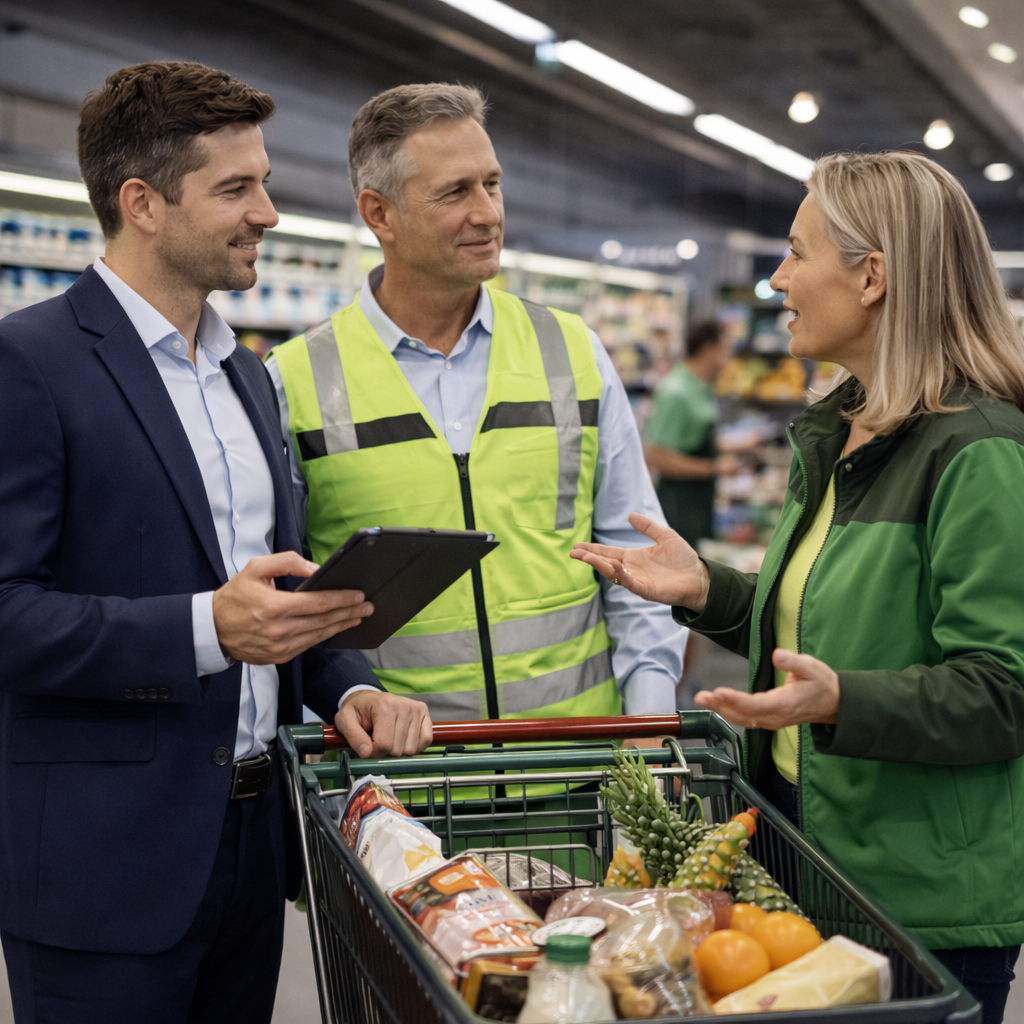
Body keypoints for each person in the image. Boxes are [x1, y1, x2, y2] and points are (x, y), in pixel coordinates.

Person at [0, 62, 431, 1024]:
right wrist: (207, 629)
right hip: (102, 866)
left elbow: (279, 589)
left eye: (264, 183)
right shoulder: (28, 364)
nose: (267, 212)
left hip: (250, 839)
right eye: (236, 188)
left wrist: (350, 684)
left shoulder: (247, 375)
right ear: (142, 202)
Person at [572, 151, 1024, 1024]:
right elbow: (820, 625)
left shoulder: (982, 451)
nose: (776, 279)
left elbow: (1006, 689)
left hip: (919, 897)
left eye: (795, 253)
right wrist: (709, 593)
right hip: (802, 856)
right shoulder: (843, 433)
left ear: (872, 276)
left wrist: (840, 702)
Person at [267, 84, 686, 721]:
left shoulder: (571, 350)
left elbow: (639, 568)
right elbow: (288, 597)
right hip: (402, 789)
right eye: (456, 192)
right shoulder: (293, 380)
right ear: (378, 214)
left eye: (492, 184)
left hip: (578, 770)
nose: (488, 212)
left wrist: (650, 719)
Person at [643, 319, 736, 546]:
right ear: (708, 349)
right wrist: (714, 467)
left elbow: (693, 438)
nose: (729, 358)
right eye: (726, 349)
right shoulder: (676, 392)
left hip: (698, 503)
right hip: (679, 506)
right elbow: (657, 456)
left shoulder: (700, 387)